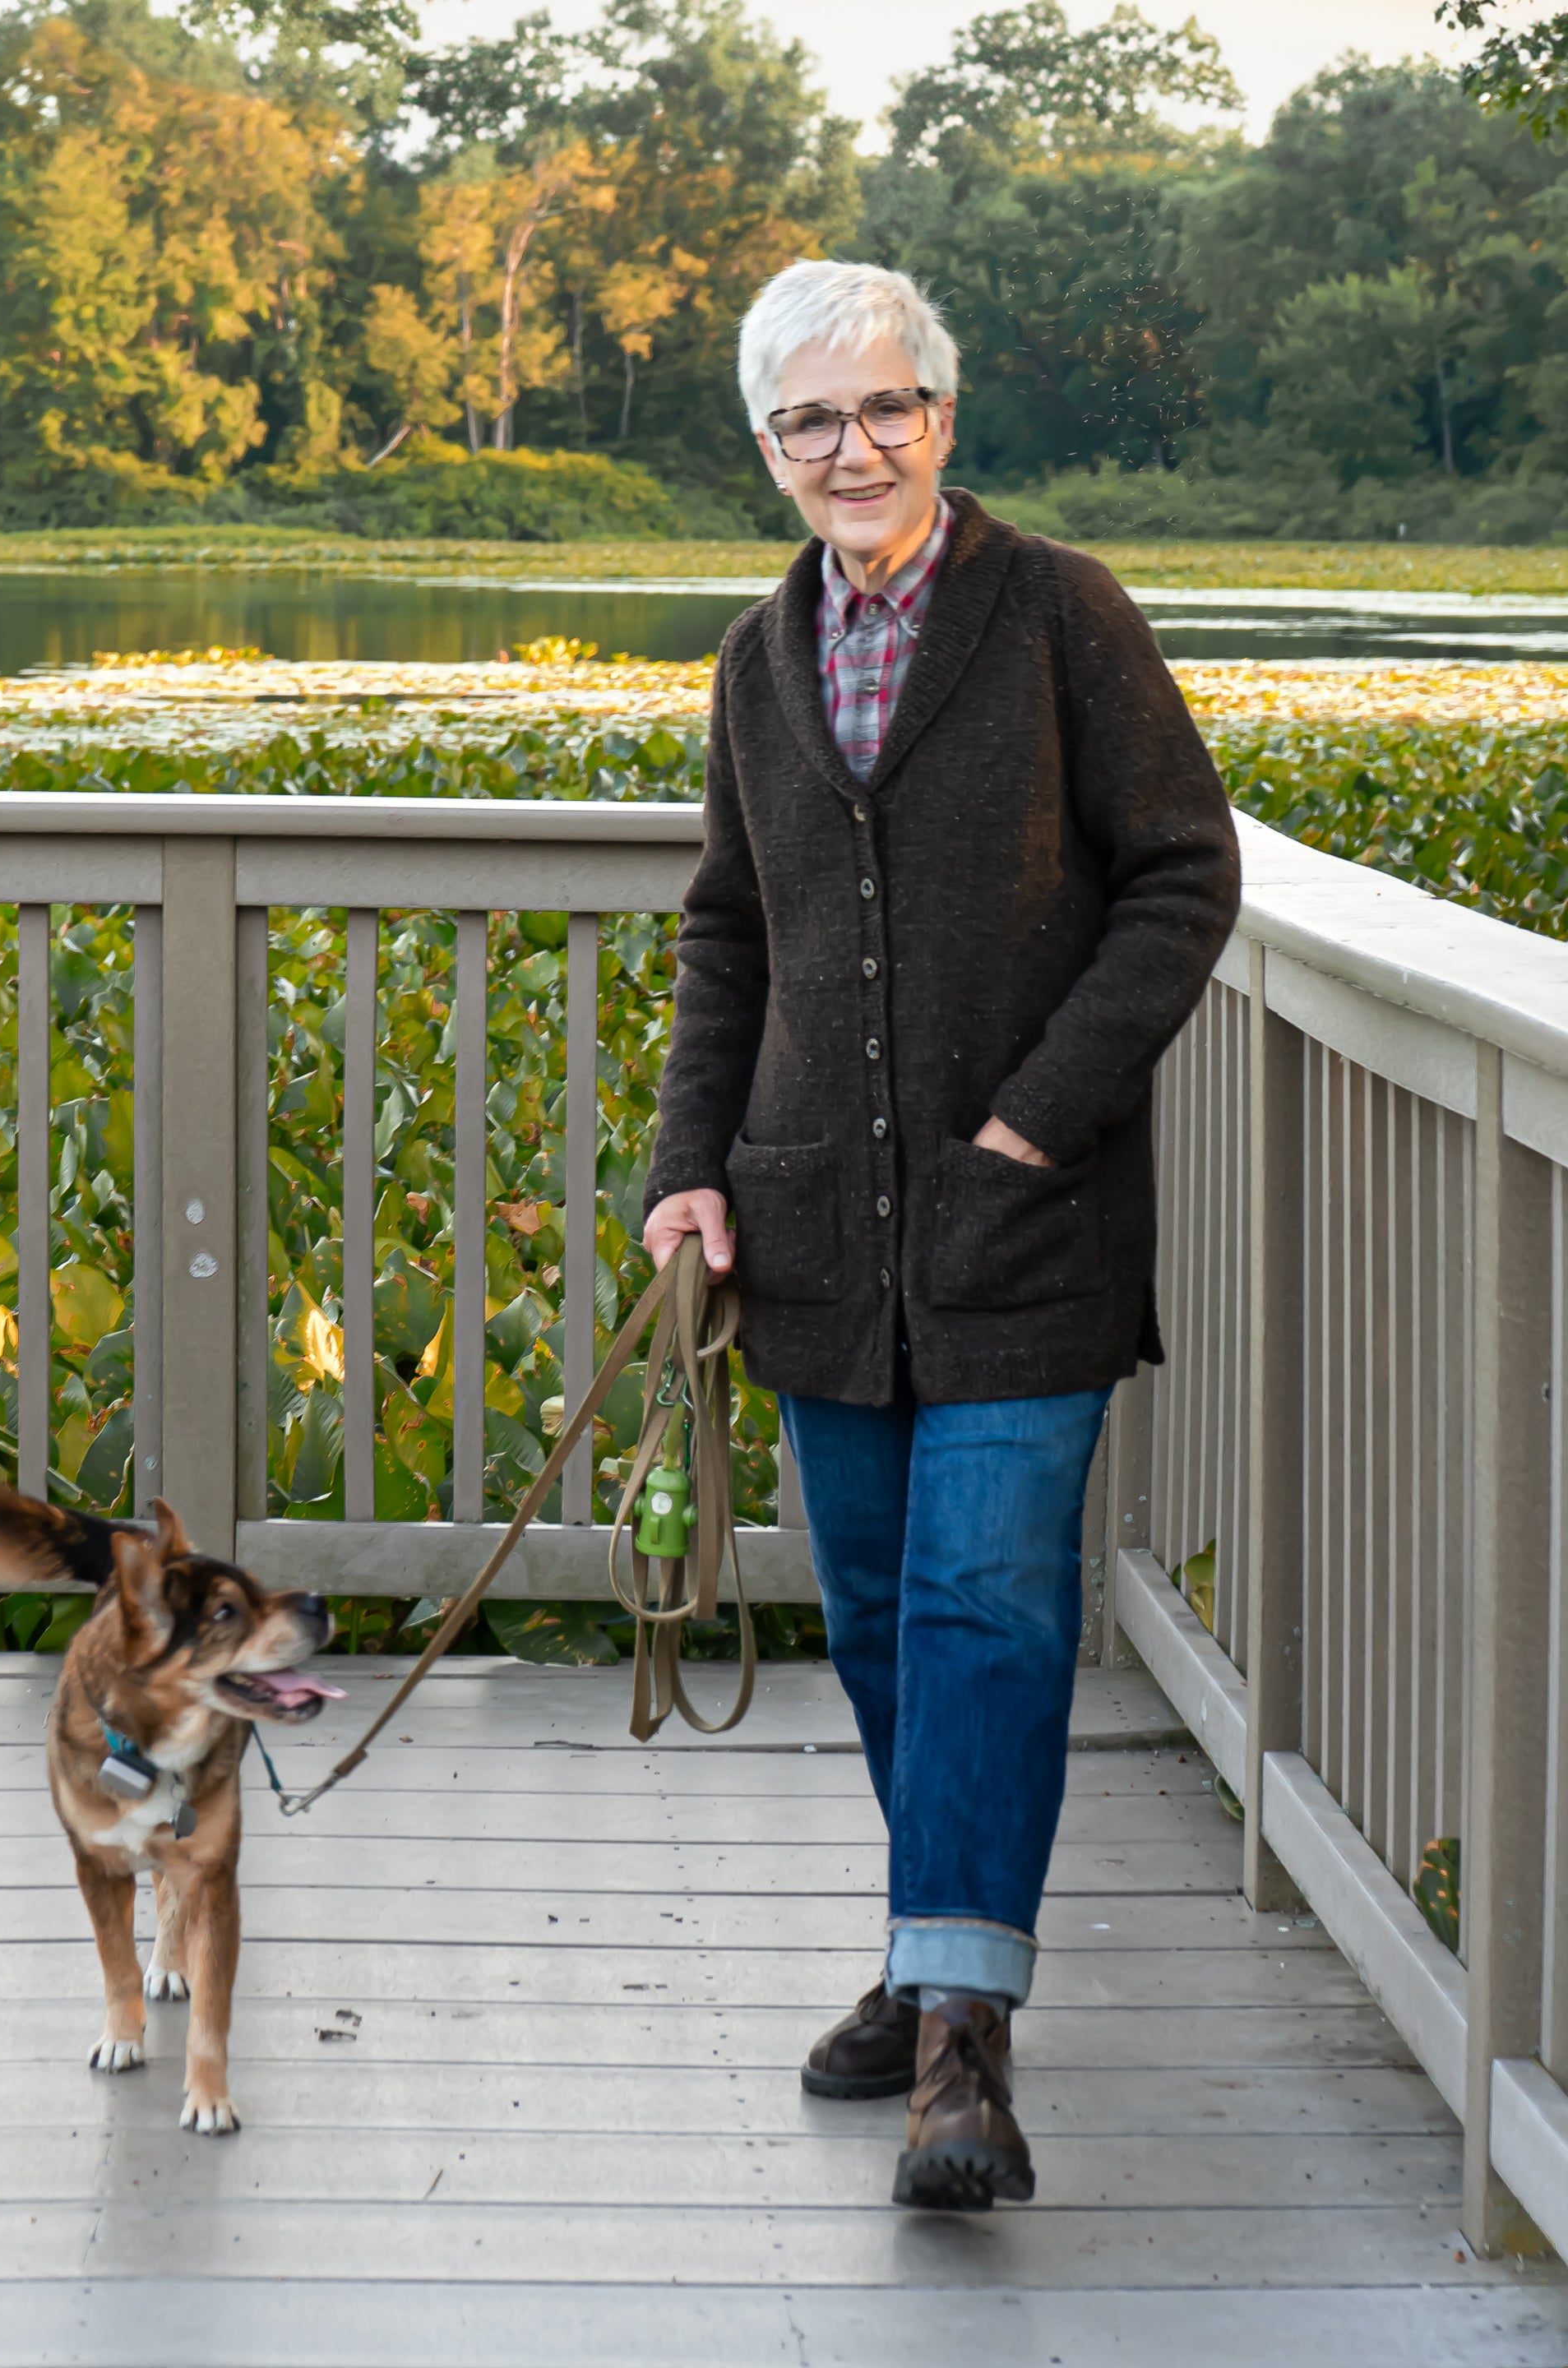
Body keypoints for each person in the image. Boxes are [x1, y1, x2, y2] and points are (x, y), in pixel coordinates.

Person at [641, 258, 1241, 2213]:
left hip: (1025, 1226)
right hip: (814, 1230)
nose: (854, 448)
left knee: (993, 1601)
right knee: (891, 1620)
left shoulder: (1061, 612)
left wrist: (1029, 1122)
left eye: (883, 408)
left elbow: (1180, 877)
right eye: (812, 422)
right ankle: (933, 1955)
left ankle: (964, 2047)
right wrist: (690, 1163)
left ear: (944, 418)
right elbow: (732, 932)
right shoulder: (760, 658)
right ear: (770, 453)